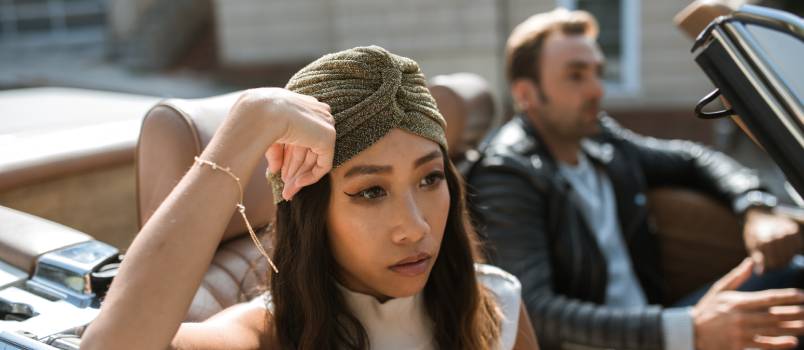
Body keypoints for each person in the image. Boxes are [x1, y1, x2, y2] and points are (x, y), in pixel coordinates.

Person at [80, 46, 539, 350]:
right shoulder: (265, 337)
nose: (416, 227)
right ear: (312, 212)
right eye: (371, 191)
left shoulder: (494, 311)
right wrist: (250, 125)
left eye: (430, 179)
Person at [464, 8, 804, 350]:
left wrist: (755, 205)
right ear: (526, 94)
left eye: (598, 72)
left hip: (661, 324)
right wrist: (688, 329)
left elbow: (693, 158)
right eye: (576, 76)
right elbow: (533, 311)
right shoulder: (507, 172)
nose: (597, 89)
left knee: (796, 275)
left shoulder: (600, 140)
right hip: (618, 339)